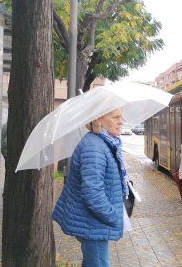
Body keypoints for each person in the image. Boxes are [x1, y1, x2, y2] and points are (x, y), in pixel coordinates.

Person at [52, 108, 127, 267]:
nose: (121, 121)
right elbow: (93, 193)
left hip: (92, 223)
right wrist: (113, 216)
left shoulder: (102, 142)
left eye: (121, 116)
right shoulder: (94, 147)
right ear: (98, 119)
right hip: (93, 225)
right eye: (116, 117)